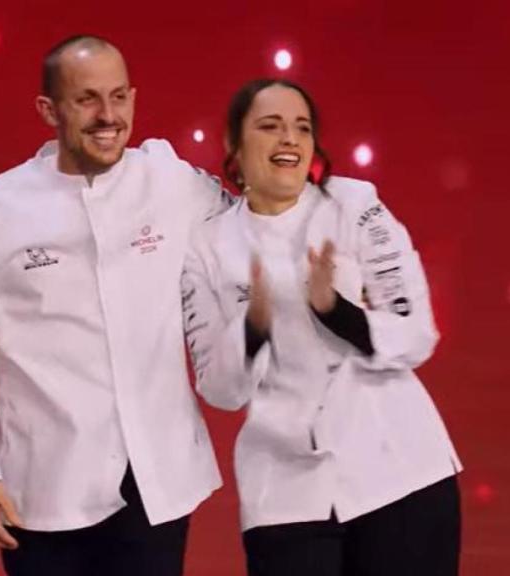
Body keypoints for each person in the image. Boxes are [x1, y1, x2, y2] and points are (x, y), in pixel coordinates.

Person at [0, 35, 229, 576]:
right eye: (86, 99)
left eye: (118, 97)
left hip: (157, 478)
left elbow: (257, 224)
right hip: (43, 489)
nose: (107, 115)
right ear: (48, 110)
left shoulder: (172, 182)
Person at [181, 78, 463, 575]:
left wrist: (337, 311)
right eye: (270, 126)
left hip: (400, 469)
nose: (289, 138)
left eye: (301, 128)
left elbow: (416, 332)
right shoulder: (205, 246)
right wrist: (253, 325)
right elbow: (219, 389)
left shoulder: (354, 206)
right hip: (284, 492)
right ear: (234, 146)